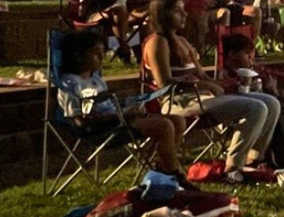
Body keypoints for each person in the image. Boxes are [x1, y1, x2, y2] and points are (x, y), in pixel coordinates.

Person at [142, 0, 276, 184]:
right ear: (163, 15)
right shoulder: (157, 42)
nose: (185, 15)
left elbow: (203, 76)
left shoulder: (182, 41)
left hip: (201, 97)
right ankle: (232, 169)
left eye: (183, 10)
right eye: (178, 11)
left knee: (271, 102)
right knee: (256, 108)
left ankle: (253, 161)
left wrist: (228, 82)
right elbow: (163, 84)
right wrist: (200, 84)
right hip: (177, 102)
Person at [58, 30, 193, 185]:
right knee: (164, 125)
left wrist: (131, 108)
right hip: (103, 128)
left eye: (103, 52)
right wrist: (121, 116)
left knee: (177, 120)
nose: (102, 57)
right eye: (96, 53)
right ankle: (172, 175)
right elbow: (82, 121)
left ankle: (163, 170)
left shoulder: (96, 80)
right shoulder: (69, 84)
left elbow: (110, 105)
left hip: (119, 119)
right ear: (78, 55)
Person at [219, 32, 284, 163]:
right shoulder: (227, 74)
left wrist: (267, 82)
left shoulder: (252, 70)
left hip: (272, 97)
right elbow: (236, 92)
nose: (251, 59)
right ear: (232, 55)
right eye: (247, 55)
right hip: (255, 105)